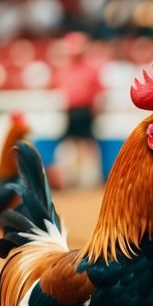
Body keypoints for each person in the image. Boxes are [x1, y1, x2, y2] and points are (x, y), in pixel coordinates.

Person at [53, 32, 103, 189]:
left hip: (85, 111)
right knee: (69, 146)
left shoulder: (90, 70)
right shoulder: (64, 70)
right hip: (71, 112)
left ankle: (89, 180)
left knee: (87, 146)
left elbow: (98, 94)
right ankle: (70, 179)